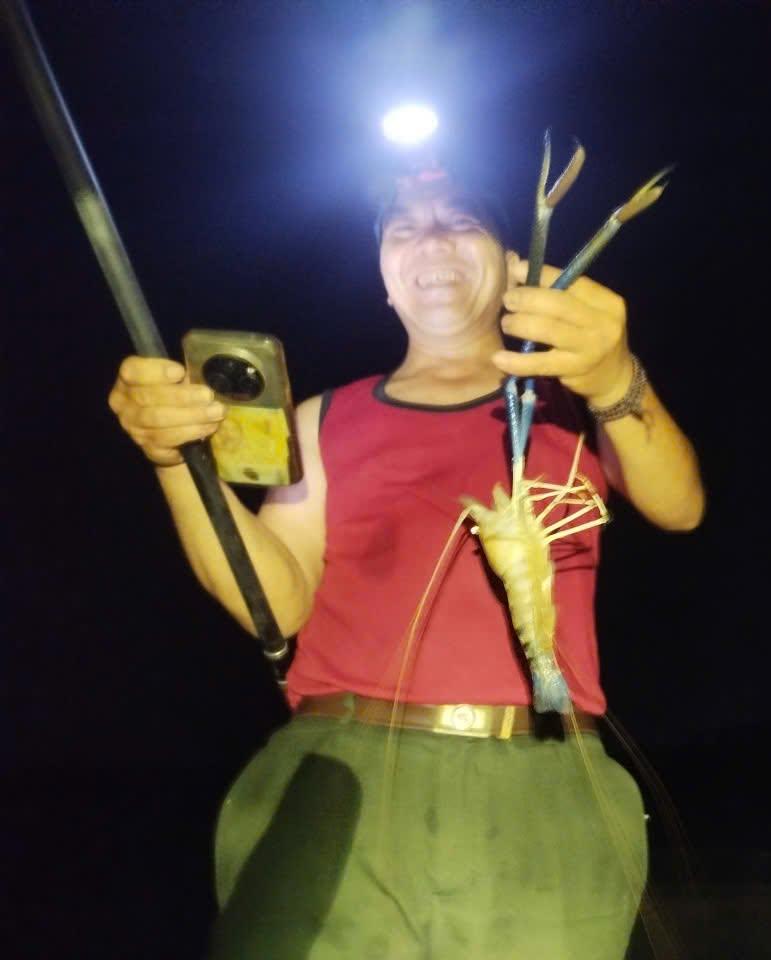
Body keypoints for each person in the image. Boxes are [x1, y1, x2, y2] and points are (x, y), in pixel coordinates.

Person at [107, 165, 705, 958]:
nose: (431, 240)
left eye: (460, 221)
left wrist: (616, 380)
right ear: (384, 280)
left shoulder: (576, 404)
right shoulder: (321, 418)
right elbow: (275, 605)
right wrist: (176, 461)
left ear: (513, 265)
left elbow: (679, 504)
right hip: (340, 768)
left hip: (543, 774)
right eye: (404, 227)